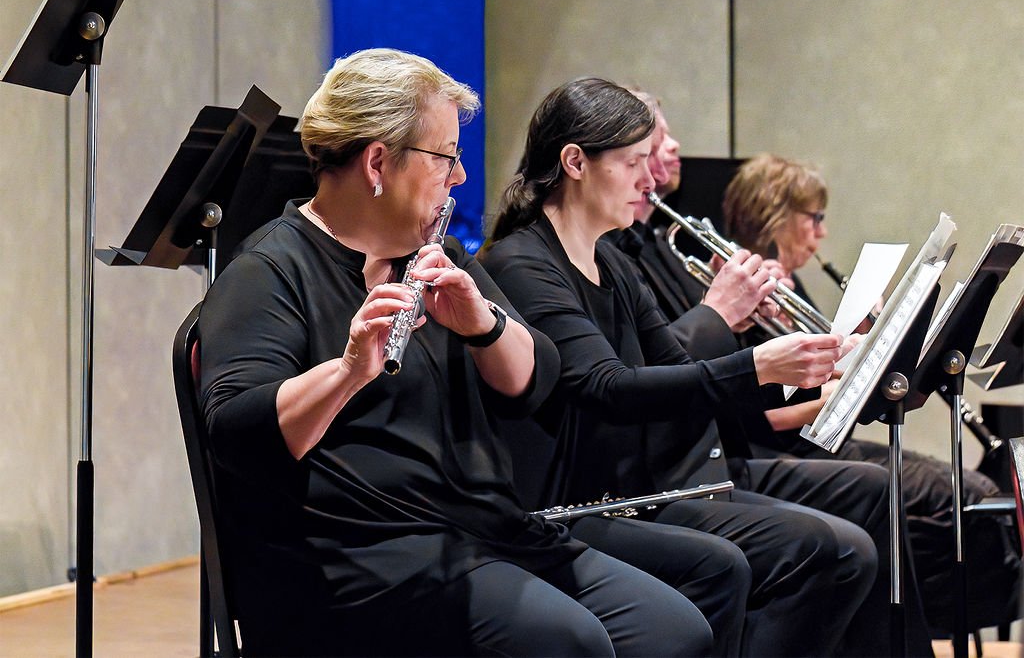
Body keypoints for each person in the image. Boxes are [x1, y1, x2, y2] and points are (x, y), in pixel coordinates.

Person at [197, 49, 712, 657]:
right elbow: (238, 435)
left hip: (479, 529)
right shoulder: (269, 271)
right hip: (360, 558)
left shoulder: (433, 255)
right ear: (378, 162)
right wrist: (347, 372)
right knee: (568, 642)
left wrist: (484, 326)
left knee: (672, 629)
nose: (460, 177)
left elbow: (537, 380)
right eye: (446, 157)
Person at [480, 76, 891, 657]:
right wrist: (758, 366)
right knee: (772, 557)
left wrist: (819, 369)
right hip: (573, 504)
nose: (649, 181)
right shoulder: (523, 263)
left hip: (635, 490)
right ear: (574, 163)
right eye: (633, 163)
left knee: (847, 551)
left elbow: (679, 372)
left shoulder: (612, 263)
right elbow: (607, 388)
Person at [721, 152, 1023, 632]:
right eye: (815, 217)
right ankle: (918, 627)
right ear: (774, 214)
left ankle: (942, 620)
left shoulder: (788, 284)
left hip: (821, 444)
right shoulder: (737, 292)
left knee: (977, 491)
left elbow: (823, 375)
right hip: (785, 452)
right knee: (957, 496)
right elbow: (758, 414)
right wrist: (848, 390)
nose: (822, 232)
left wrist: (872, 343)